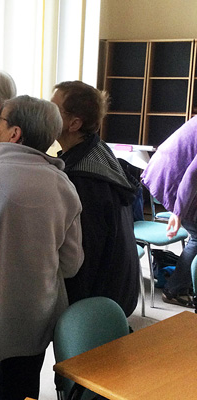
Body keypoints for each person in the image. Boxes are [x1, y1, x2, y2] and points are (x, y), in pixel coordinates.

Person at [0, 95, 84, 400]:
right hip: (36, 317)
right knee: (24, 389)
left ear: (15, 133)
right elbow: (72, 263)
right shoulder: (62, 184)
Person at [51, 80, 140, 317]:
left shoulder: (84, 179)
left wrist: (75, 312)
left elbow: (85, 254)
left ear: (74, 123)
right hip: (116, 291)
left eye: (54, 108)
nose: (46, 113)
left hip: (98, 302)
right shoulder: (96, 151)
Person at [141, 116, 197, 308]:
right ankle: (174, 290)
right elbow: (192, 175)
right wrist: (179, 211)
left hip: (176, 171)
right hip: (174, 175)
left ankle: (185, 280)